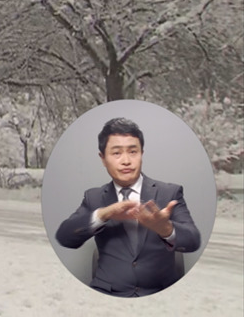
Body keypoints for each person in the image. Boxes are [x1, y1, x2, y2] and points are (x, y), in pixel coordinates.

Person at [55, 117, 201, 297]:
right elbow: (65, 237)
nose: (126, 161)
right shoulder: (93, 198)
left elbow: (193, 241)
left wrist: (165, 229)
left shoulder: (169, 193)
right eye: (116, 153)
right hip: (107, 293)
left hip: (161, 293)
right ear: (102, 158)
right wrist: (103, 214)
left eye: (133, 152)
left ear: (142, 153)